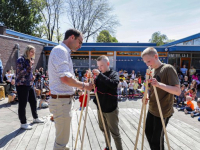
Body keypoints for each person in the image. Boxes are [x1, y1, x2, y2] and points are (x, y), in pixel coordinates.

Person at [48, 29, 93, 150]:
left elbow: (65, 79)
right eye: (80, 42)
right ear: (72, 37)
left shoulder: (63, 51)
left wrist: (77, 89)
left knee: (62, 141)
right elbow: (65, 79)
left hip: (63, 101)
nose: (80, 46)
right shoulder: (60, 50)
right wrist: (84, 86)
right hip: (61, 102)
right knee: (61, 143)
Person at [141, 47, 181, 150]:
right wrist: (146, 95)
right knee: (148, 133)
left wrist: (159, 84)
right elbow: (149, 89)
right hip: (152, 108)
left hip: (163, 110)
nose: (147, 64)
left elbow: (177, 91)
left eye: (148, 61)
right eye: (145, 62)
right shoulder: (152, 70)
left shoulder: (168, 68)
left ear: (156, 56)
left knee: (157, 140)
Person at [92, 55, 123, 150]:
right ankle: (108, 147)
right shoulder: (98, 76)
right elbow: (94, 87)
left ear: (108, 64)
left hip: (111, 108)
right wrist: (90, 80)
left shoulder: (114, 74)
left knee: (115, 132)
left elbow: (113, 84)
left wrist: (100, 75)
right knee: (104, 129)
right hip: (100, 107)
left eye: (101, 65)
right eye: (98, 66)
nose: (99, 68)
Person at [16, 45, 44, 130]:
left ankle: (35, 118)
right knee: (22, 104)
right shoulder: (21, 60)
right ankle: (23, 123)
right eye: (31, 51)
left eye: (34, 52)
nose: (33, 53)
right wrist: (29, 67)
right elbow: (20, 73)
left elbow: (28, 73)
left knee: (34, 101)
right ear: (27, 51)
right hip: (22, 85)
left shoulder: (30, 60)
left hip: (29, 84)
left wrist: (32, 76)